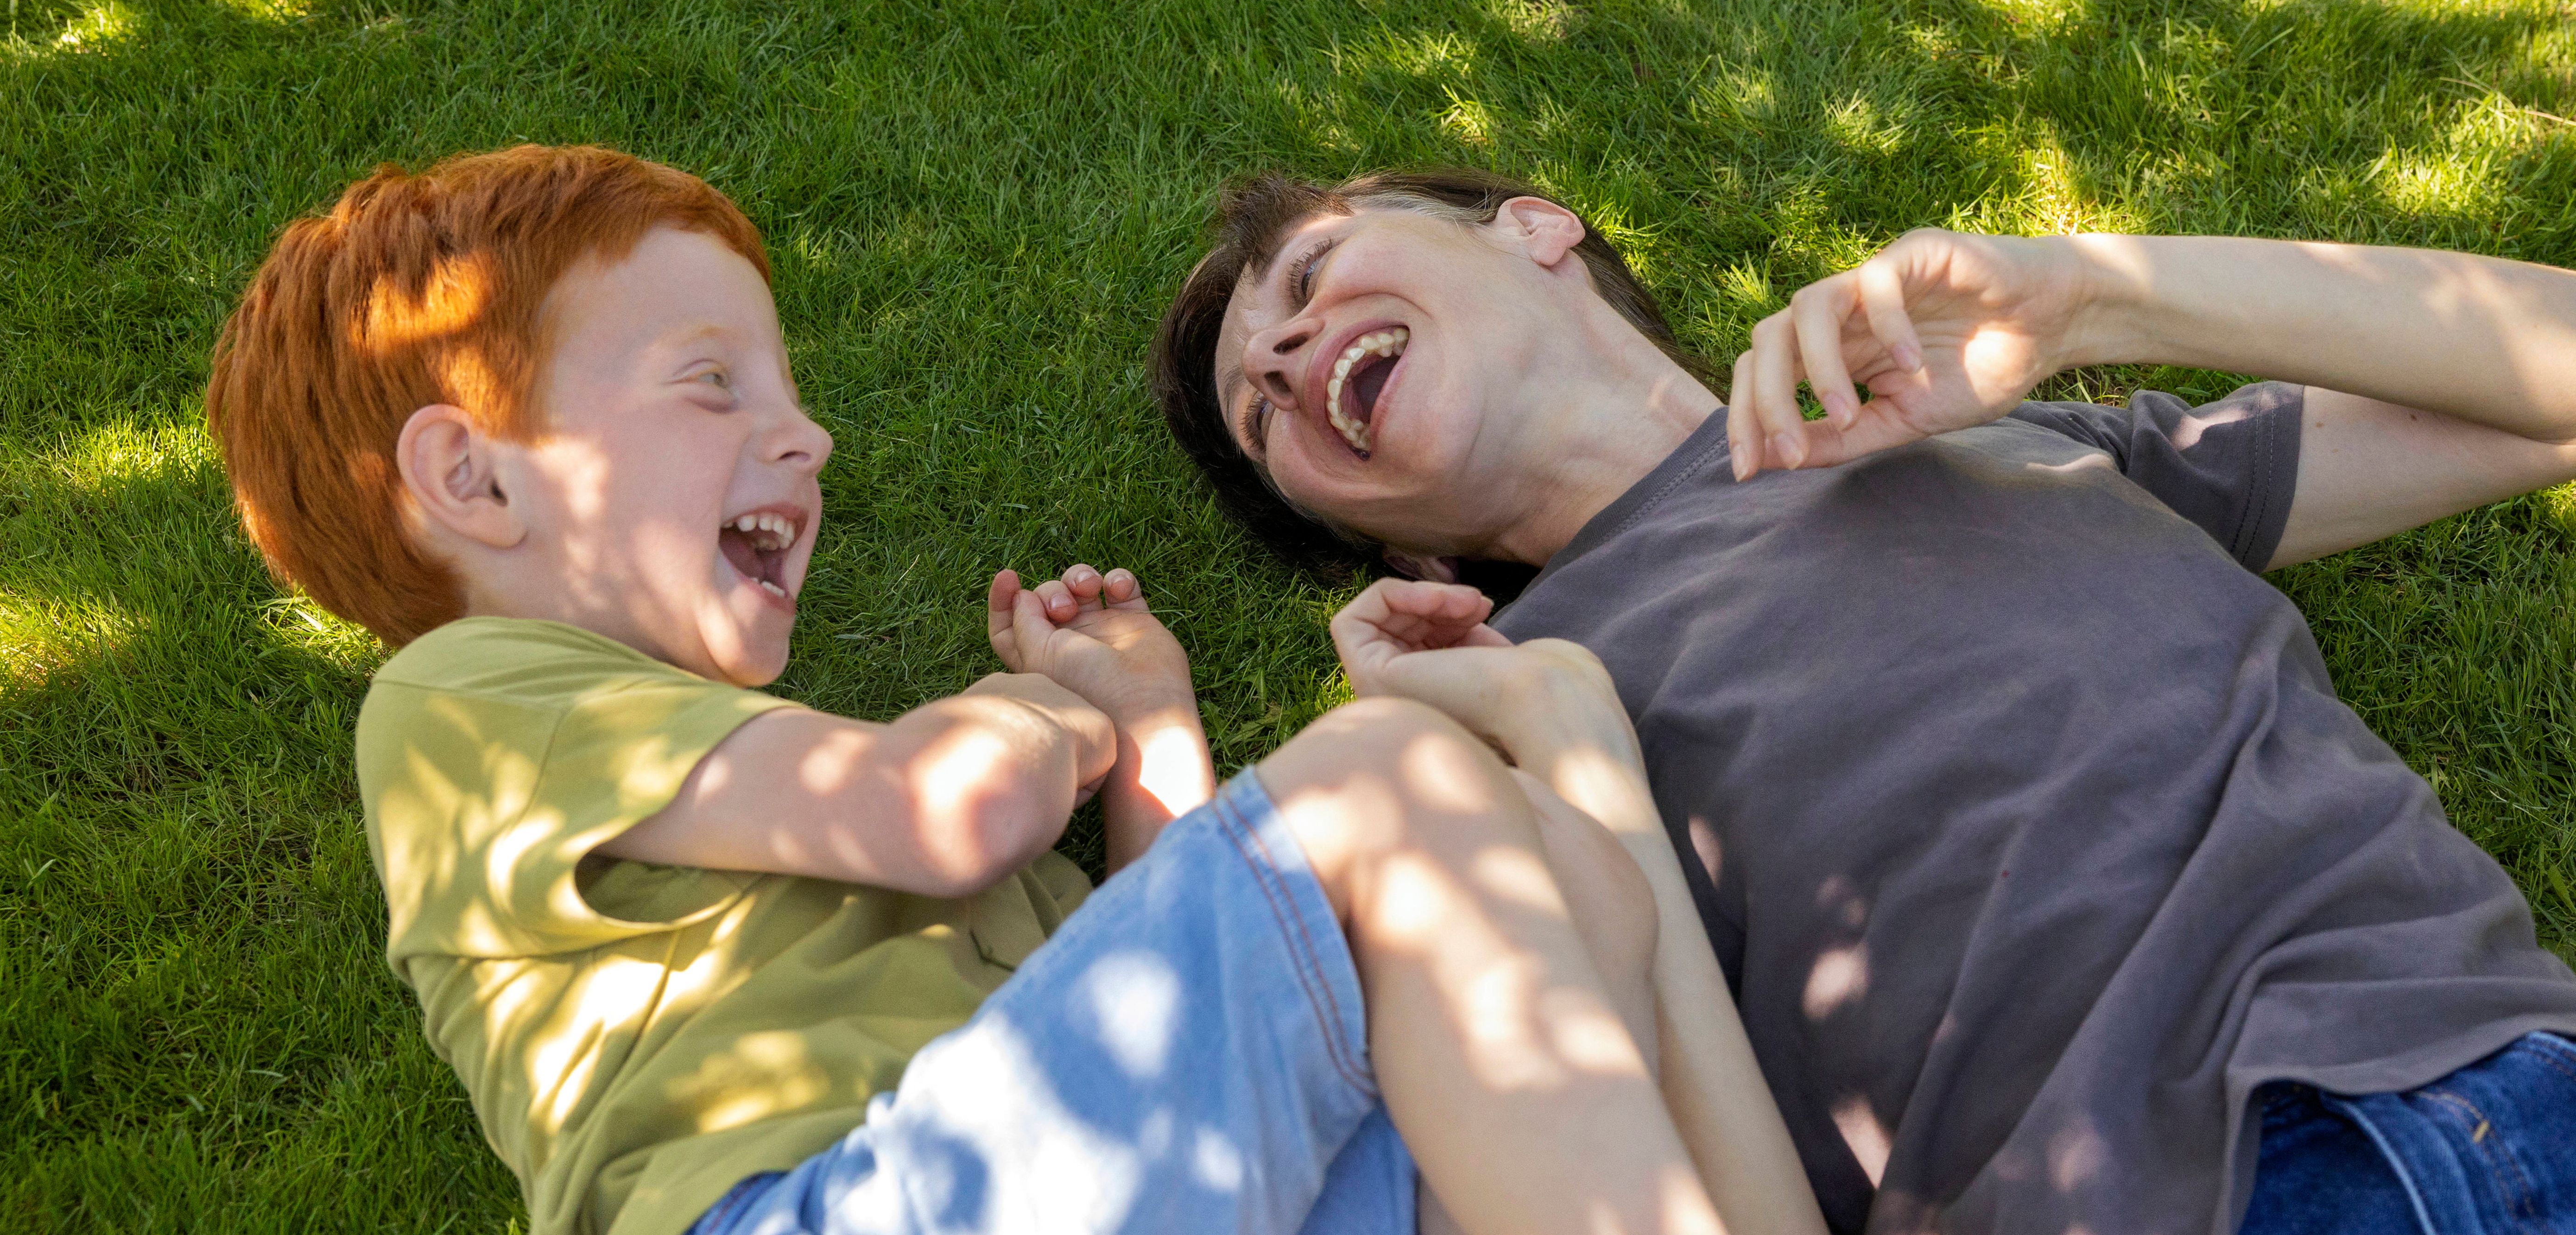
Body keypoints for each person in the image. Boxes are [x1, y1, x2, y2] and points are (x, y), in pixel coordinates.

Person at [203, 144, 1827, 1235]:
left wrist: (1154, 737)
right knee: (1390, 790)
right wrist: (1056, 722)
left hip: (1021, 1172)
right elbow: (943, 805)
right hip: (820, 1199)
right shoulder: (467, 696)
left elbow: (1172, 980)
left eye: (787, 392)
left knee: (1568, 885)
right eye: (715, 384)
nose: (806, 437)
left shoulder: (750, 805)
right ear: (472, 481)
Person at [1153, 167, 2576, 1235]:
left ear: (1537, 227)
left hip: (2513, 1067)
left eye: (1311, 271)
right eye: (1262, 415)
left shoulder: (2006, 427)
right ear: (1397, 548)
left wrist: (2094, 294)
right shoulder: (1510, 724)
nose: (1284, 359)